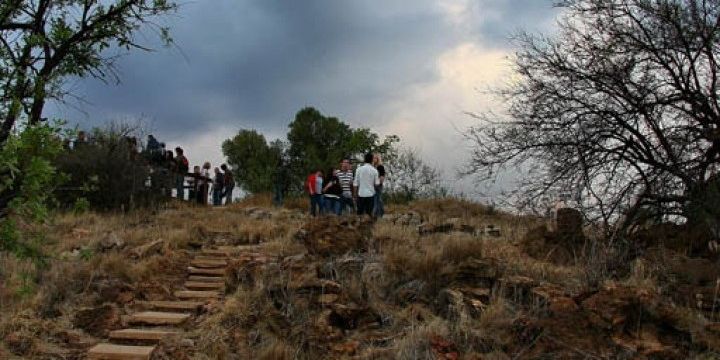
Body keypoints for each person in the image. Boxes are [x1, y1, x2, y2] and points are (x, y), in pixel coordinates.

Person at [354, 152, 380, 217]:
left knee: (359, 214)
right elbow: (377, 184)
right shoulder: (374, 170)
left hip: (361, 194)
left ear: (365, 160)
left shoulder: (358, 169)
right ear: (372, 160)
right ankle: (368, 226)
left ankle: (359, 226)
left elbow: (355, 184)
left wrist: (355, 195)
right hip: (370, 194)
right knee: (369, 214)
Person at [373, 154, 386, 218]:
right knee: (377, 200)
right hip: (372, 186)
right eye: (373, 158)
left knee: (378, 199)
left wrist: (378, 184)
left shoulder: (380, 167)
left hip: (378, 186)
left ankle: (378, 214)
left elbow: (382, 177)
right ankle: (380, 213)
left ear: (378, 159)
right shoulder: (372, 167)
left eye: (375, 158)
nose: (374, 159)